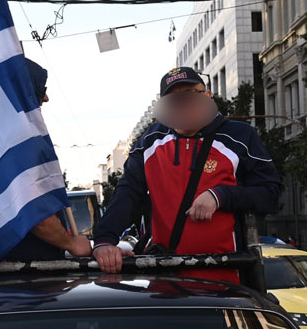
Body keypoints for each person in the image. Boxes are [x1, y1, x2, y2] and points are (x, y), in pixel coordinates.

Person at [93, 67, 281, 274]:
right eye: (174, 100)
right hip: (164, 277)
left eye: (192, 95)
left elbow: (270, 194)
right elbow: (128, 192)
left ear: (207, 97)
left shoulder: (240, 136)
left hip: (227, 274)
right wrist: (104, 241)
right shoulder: (150, 141)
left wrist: (220, 195)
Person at [2, 59, 92, 261]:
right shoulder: (19, 140)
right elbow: (36, 214)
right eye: (40, 88)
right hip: (27, 278)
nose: (46, 97)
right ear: (25, 90)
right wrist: (71, 244)